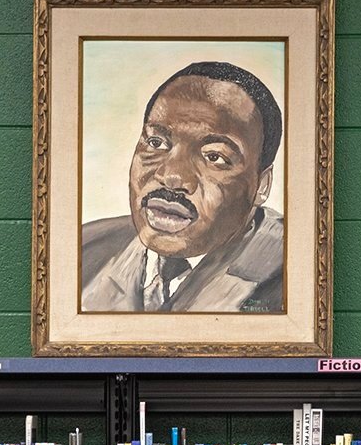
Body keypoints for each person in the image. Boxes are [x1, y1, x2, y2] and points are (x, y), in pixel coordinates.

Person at [80, 60, 285, 313]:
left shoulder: (294, 276)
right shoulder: (84, 250)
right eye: (156, 143)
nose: (171, 176)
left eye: (214, 157)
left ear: (262, 185)